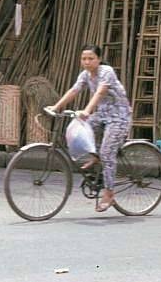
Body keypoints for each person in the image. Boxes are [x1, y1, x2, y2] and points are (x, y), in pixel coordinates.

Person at [47, 44, 132, 213]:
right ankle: (95, 155)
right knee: (81, 129)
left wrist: (86, 111)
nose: (87, 62)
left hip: (119, 116)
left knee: (108, 153)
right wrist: (56, 107)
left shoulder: (106, 71)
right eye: (84, 59)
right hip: (102, 114)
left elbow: (100, 92)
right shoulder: (85, 75)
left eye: (91, 58)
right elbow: (74, 90)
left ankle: (109, 193)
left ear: (98, 59)